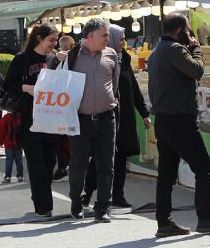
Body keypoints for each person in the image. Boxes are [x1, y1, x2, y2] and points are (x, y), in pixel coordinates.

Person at [147, 13, 210, 237]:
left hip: (163, 120)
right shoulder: (176, 49)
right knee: (203, 167)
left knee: (166, 174)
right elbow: (197, 70)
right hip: (180, 120)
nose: (190, 33)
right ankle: (205, 218)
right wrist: (196, 49)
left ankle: (164, 222)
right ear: (179, 31)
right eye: (187, 29)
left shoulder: (156, 52)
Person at [82, 25, 150, 209]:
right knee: (100, 158)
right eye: (121, 38)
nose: (123, 42)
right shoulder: (101, 60)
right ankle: (87, 193)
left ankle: (118, 195)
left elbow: (133, 88)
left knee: (120, 158)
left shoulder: (124, 59)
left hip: (125, 118)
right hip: (107, 117)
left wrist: (144, 113)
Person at [64, 18, 119, 222]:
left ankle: (102, 208)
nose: (107, 39)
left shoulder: (112, 54)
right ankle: (76, 203)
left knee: (106, 166)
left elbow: (114, 84)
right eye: (104, 35)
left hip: (106, 118)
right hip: (80, 119)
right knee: (78, 165)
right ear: (90, 36)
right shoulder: (73, 56)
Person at [4, 23, 59, 217]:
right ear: (39, 38)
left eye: (56, 40)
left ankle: (40, 198)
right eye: (51, 40)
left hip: (51, 117)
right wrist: (27, 88)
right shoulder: (22, 58)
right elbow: (8, 86)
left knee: (50, 160)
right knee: (37, 163)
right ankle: (44, 207)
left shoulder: (53, 59)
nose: (54, 44)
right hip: (28, 118)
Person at [51, 35, 76, 180]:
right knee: (71, 137)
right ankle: (68, 166)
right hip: (72, 103)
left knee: (60, 138)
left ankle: (63, 166)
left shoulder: (56, 59)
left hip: (59, 103)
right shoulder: (76, 58)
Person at [0, 111, 24, 183]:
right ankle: (20, 176)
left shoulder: (6, 118)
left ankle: (7, 177)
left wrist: (0, 141)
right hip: (18, 143)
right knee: (19, 160)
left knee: (9, 160)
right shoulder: (21, 117)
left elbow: (1, 130)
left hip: (8, 143)